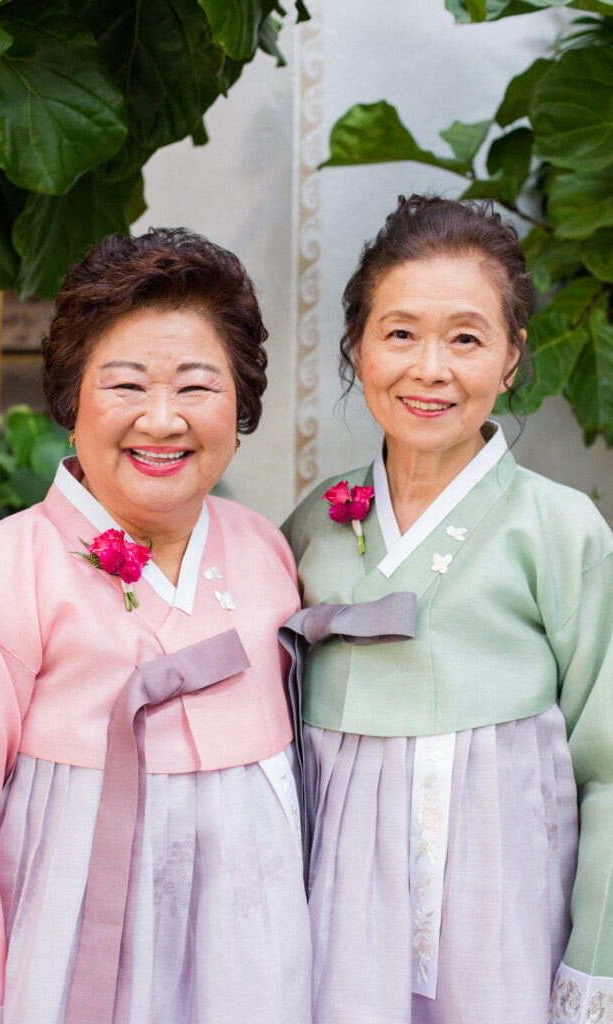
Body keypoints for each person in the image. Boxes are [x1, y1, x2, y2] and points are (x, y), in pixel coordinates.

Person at [0, 228, 311, 1024]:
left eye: (198, 387)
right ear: (70, 400)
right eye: (127, 385)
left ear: (240, 402)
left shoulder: (266, 551)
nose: (162, 420)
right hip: (70, 949)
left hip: (253, 945)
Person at [282, 195, 613, 1024]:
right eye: (398, 333)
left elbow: (608, 768)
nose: (429, 368)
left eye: (465, 337)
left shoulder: (560, 528)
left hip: (503, 915)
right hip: (330, 909)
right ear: (357, 348)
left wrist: (593, 962)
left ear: (510, 359)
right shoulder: (315, 524)